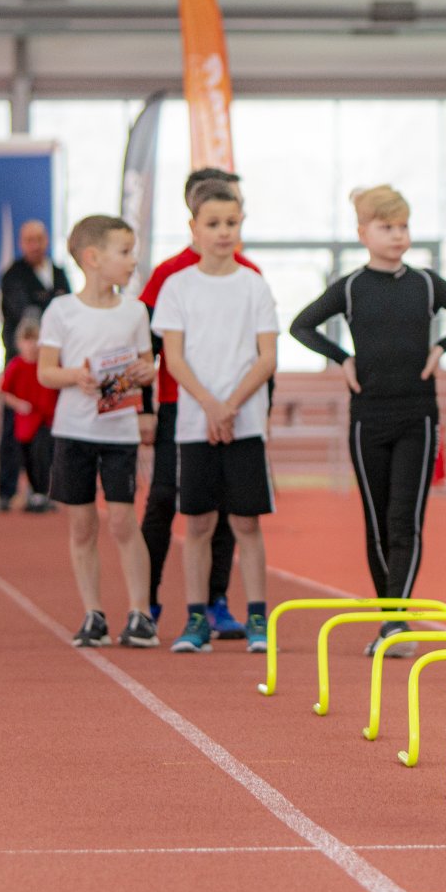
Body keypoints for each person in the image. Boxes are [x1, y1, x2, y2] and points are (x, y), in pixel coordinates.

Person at [290, 184, 446, 655]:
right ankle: (391, 618)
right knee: (377, 523)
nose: (398, 235)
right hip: (367, 419)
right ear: (363, 233)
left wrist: (441, 347)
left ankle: (396, 623)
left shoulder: (425, 284)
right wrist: (341, 358)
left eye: (403, 226)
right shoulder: (352, 287)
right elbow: (301, 325)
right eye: (386, 227)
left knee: (405, 520)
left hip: (417, 416)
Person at [153, 179, 280, 655]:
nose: (223, 232)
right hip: (194, 424)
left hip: (244, 424)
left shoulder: (254, 286)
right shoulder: (176, 286)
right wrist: (209, 404)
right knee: (199, 523)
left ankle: (257, 620)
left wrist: (230, 406)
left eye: (231, 223)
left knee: (247, 524)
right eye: (213, 224)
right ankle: (196, 619)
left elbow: (266, 358)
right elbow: (174, 359)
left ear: (241, 225)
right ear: (194, 228)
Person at [36, 215, 159, 648]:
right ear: (92, 258)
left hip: (120, 432)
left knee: (124, 521)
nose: (132, 261)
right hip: (75, 431)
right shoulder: (62, 311)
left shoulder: (135, 310)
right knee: (82, 525)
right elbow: (46, 372)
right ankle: (93, 613)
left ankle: (141, 613)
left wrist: (148, 372)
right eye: (124, 253)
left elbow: (146, 367)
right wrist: (77, 377)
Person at [0, 220, 71, 512]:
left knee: (47, 429)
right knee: (13, 429)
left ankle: (43, 490)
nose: (35, 244)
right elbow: (25, 311)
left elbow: (67, 309)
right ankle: (6, 490)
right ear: (20, 242)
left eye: (39, 238)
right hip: (22, 364)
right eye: (29, 239)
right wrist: (49, 304)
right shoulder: (13, 275)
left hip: (52, 363)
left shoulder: (59, 272)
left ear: (47, 240)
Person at [0, 321, 57, 511]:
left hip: (45, 419)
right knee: (27, 458)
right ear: (19, 342)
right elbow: (4, 392)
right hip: (24, 422)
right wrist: (19, 404)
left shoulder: (47, 365)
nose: (31, 345)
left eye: (35, 340)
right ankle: (33, 492)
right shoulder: (16, 365)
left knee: (43, 455)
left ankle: (41, 493)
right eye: (27, 340)